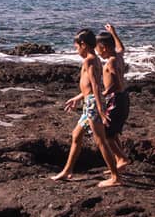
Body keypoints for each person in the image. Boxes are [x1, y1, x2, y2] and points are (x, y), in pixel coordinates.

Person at [52, 29, 124, 187]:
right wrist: (78, 97)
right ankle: (67, 171)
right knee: (76, 135)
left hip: (92, 104)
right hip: (88, 102)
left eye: (77, 47)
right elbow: (89, 87)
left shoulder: (90, 61)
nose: (76, 50)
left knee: (101, 141)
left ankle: (115, 177)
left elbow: (96, 86)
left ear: (83, 45)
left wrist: (99, 109)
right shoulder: (95, 59)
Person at [96, 23, 130, 168]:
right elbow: (121, 48)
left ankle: (122, 158)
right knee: (114, 133)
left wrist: (103, 93)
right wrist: (114, 33)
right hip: (123, 98)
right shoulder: (118, 56)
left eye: (97, 49)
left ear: (103, 47)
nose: (97, 52)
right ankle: (119, 160)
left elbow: (116, 83)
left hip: (116, 99)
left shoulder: (111, 62)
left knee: (106, 134)